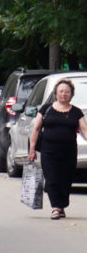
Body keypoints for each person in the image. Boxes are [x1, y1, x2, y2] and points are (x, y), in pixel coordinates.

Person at [29, 79, 87, 220]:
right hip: (48, 151)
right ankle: (55, 207)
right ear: (56, 93)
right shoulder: (46, 109)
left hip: (69, 152)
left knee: (65, 180)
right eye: (61, 91)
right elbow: (36, 129)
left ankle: (61, 206)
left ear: (71, 94)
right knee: (51, 179)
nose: (64, 94)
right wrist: (32, 149)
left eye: (67, 92)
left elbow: (85, 131)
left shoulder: (76, 112)